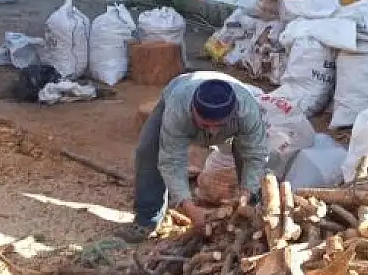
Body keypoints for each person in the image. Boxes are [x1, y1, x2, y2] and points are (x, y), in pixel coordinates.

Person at [115, 71, 268, 243]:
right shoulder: (178, 109)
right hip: (180, 88)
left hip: (234, 115)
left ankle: (250, 213)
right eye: (205, 125)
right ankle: (147, 219)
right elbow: (172, 161)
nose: (212, 132)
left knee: (246, 155)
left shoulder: (247, 111)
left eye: (218, 126)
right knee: (149, 150)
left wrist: (246, 193)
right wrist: (189, 208)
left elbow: (256, 156)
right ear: (193, 111)